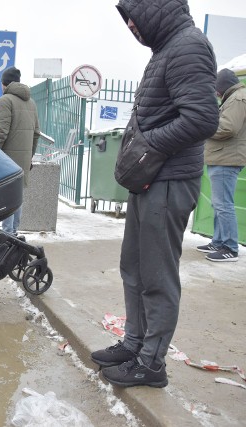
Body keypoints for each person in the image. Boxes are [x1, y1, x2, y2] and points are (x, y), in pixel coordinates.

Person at [90, 0, 219, 388]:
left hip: (169, 179)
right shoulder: (167, 49)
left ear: (152, 9)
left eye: (133, 17)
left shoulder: (188, 46)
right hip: (150, 178)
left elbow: (202, 119)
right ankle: (134, 344)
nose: (130, 25)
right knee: (134, 266)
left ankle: (152, 363)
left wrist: (148, 145)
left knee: (157, 276)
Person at [196, 68, 246, 262]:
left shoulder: (237, 99)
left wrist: (204, 127)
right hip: (221, 157)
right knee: (219, 204)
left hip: (227, 158)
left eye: (217, 89)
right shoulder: (234, 97)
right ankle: (218, 242)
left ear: (224, 86)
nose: (216, 93)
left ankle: (230, 247)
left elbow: (228, 127)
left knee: (223, 204)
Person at [0, 66, 40, 235]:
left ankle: (7, 236)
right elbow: (36, 134)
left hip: (6, 160)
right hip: (23, 160)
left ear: (4, 84)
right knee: (17, 197)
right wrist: (29, 157)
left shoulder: (5, 101)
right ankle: (14, 233)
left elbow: (0, 132)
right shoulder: (31, 103)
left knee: (7, 198)